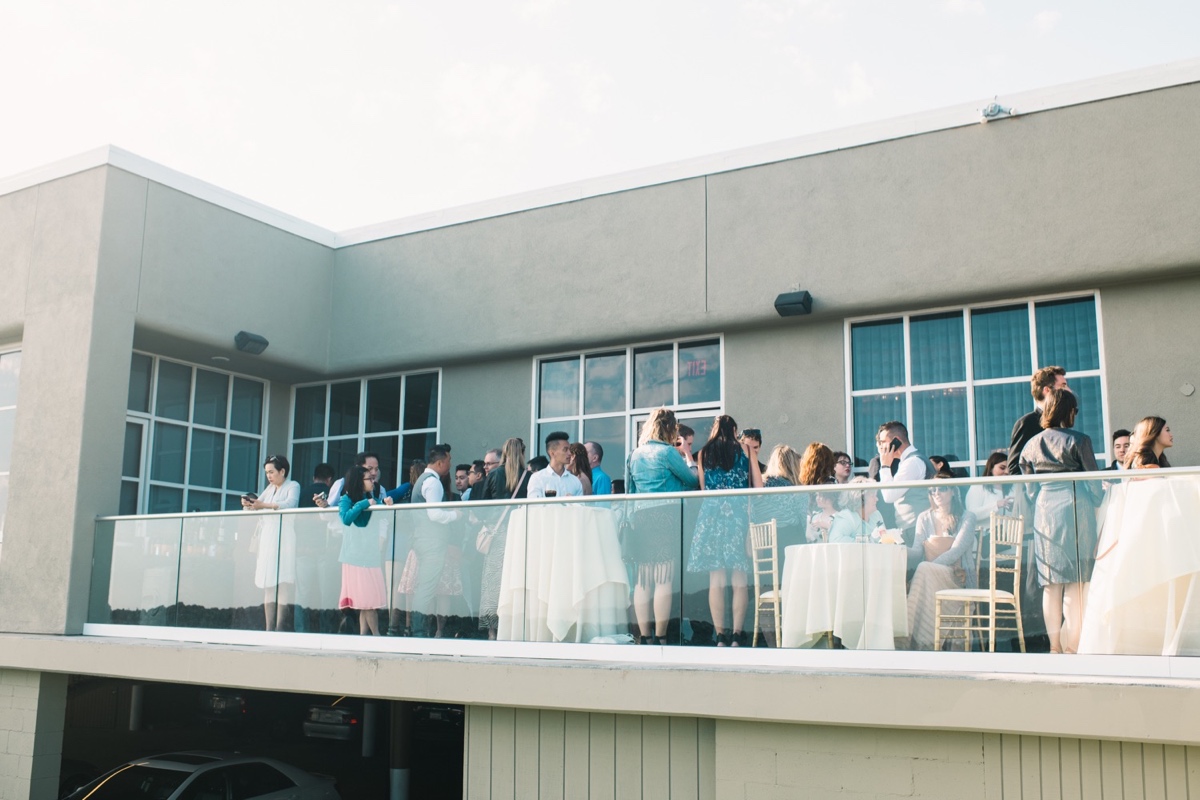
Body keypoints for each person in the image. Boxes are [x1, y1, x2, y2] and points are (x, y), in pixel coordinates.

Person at [1020, 388, 1102, 654]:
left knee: (1051, 586)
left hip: (1045, 512)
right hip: (1075, 508)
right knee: (1076, 584)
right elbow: (1094, 487)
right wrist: (1100, 498)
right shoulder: (1080, 440)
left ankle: (1054, 646)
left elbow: (1030, 491)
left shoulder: (1030, 445)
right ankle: (1072, 647)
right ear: (1070, 411)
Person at [687, 416, 762, 647]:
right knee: (739, 578)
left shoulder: (703, 454)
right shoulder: (746, 450)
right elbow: (759, 487)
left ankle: (720, 636)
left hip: (711, 516)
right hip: (737, 515)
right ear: (735, 430)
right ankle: (738, 635)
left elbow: (702, 488)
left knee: (716, 580)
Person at [627, 407, 699, 644]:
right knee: (663, 577)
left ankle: (643, 635)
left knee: (643, 578)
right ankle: (660, 636)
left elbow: (630, 492)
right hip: (665, 515)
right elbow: (691, 480)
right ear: (670, 428)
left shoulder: (634, 454)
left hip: (641, 516)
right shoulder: (668, 453)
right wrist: (688, 458)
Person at [905, 476, 978, 650]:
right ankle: (913, 640)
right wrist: (896, 549)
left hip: (958, 577)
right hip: (929, 576)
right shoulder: (924, 517)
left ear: (953, 491)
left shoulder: (967, 517)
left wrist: (931, 566)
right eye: (933, 490)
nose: (937, 493)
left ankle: (918, 642)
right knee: (924, 570)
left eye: (942, 488)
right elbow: (916, 551)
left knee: (923, 569)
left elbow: (956, 551)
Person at [477, 438, 532, 638]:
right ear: (522, 453)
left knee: (493, 582)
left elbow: (482, 508)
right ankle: (515, 626)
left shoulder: (494, 474)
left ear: (504, 453)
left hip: (498, 533)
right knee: (517, 580)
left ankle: (492, 631)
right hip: (521, 533)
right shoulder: (529, 476)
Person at [408, 445, 462, 638]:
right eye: (448, 461)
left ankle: (419, 631)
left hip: (423, 540)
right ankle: (419, 633)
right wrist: (456, 515)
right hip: (432, 543)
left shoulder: (423, 480)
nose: (450, 465)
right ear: (440, 463)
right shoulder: (433, 483)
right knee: (426, 589)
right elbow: (435, 514)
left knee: (424, 588)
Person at [245, 454, 301, 631]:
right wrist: (249, 504)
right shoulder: (269, 489)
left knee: (282, 582)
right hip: (267, 537)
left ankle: (279, 627)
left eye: (271, 472)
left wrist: (264, 506)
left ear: (282, 471)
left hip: (284, 536)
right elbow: (257, 505)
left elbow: (290, 504)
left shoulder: (293, 485)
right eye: (267, 472)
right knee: (267, 583)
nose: (269, 476)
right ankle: (269, 627)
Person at [337, 465, 388, 636]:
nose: (373, 482)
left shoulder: (370, 498)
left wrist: (385, 503)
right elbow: (345, 518)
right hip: (355, 557)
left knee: (366, 602)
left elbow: (381, 513)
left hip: (370, 555)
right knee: (368, 603)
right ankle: (376, 637)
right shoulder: (347, 499)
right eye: (369, 479)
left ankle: (363, 637)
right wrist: (365, 503)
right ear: (359, 481)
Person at [875, 422, 937, 545]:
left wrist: (885, 465)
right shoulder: (910, 460)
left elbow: (889, 496)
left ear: (896, 441)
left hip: (915, 528)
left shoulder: (912, 462)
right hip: (913, 526)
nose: (881, 448)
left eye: (883, 442)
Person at [1008, 366, 1068, 475]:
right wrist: (1034, 491)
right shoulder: (1027, 423)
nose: (1067, 390)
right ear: (1047, 390)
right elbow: (1015, 467)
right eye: (1063, 386)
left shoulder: (1062, 421)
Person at [751, 444, 808, 551]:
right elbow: (802, 521)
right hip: (790, 542)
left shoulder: (759, 486)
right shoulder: (796, 490)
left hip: (763, 542)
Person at [317, 452, 394, 508]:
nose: (374, 473)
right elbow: (328, 513)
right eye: (369, 469)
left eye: (376, 469)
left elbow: (384, 516)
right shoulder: (341, 484)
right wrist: (325, 505)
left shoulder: (379, 489)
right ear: (358, 467)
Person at [828, 477, 886, 543]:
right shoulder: (847, 517)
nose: (876, 499)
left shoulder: (876, 515)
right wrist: (866, 542)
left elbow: (884, 539)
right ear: (859, 498)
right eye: (872, 496)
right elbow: (835, 540)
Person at [527, 432, 584, 498]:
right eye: (565, 449)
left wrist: (572, 503)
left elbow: (581, 507)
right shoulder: (537, 478)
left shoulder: (575, 481)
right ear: (552, 453)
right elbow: (534, 506)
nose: (569, 453)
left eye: (569, 449)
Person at [965, 451, 1014, 522]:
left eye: (1009, 469)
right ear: (991, 468)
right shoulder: (978, 486)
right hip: (984, 532)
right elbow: (971, 514)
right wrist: (996, 505)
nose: (1007, 472)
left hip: (1007, 532)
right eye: (1002, 468)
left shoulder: (1012, 487)